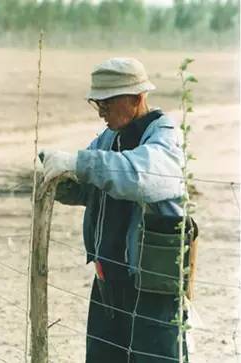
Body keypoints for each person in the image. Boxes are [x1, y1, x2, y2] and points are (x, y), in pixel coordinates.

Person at [40, 58, 197, 363]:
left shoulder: (166, 139)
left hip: (152, 284)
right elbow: (95, 185)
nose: (101, 111)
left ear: (137, 98)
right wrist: (61, 181)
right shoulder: (110, 138)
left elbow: (140, 178)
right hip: (109, 278)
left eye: (108, 102)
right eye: (97, 102)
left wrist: (78, 162)